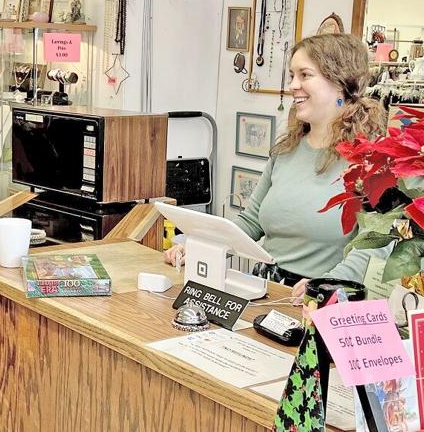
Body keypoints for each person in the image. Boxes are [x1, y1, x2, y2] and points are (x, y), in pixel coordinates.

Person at [165, 33, 388, 297]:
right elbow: (251, 222)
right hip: (266, 290)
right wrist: (201, 245)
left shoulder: (372, 161)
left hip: (324, 299)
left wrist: (328, 284)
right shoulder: (286, 151)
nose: (293, 85)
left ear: (340, 83)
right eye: (292, 75)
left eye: (305, 75)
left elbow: (376, 243)